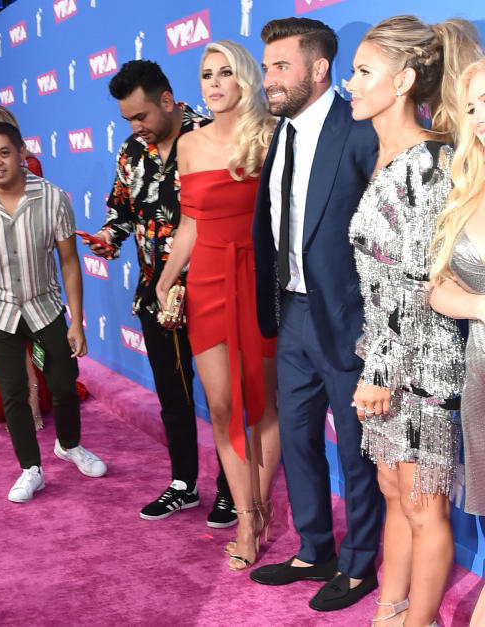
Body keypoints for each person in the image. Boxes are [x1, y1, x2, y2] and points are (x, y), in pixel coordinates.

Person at [347, 16, 480, 626]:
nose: (351, 83)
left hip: (422, 365)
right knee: (395, 493)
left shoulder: (425, 163)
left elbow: (414, 285)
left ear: (402, 80)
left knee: (424, 507)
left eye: (362, 71)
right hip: (386, 357)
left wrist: (377, 373)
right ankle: (389, 610)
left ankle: (417, 622)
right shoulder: (385, 157)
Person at [248, 17, 383, 612]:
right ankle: (315, 549)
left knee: (355, 449)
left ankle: (359, 567)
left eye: (281, 66)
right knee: (299, 439)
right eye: (267, 66)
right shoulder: (282, 133)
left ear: (319, 68)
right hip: (292, 310)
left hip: (348, 317)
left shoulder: (357, 128)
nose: (268, 78)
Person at [88, 59, 235, 528]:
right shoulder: (132, 151)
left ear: (167, 101)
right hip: (157, 295)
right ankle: (183, 484)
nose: (136, 127)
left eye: (141, 116)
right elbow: (122, 212)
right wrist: (108, 238)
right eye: (128, 119)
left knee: (224, 400)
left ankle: (234, 490)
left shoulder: (212, 137)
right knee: (172, 395)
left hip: (212, 292)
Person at [154, 41, 279, 570]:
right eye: (206, 74)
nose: (214, 82)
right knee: (224, 407)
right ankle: (247, 515)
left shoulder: (271, 136)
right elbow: (190, 223)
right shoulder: (187, 144)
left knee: (262, 406)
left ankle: (260, 505)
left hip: (258, 278)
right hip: (206, 280)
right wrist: (165, 278)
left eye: (225, 72)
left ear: (244, 79)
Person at [0, 121, 107, 502]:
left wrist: (77, 320)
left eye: (4, 152)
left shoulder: (53, 198)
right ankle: (30, 468)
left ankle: (69, 445)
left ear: (23, 153)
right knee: (13, 393)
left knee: (62, 384)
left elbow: (70, 261)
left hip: (45, 306)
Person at [429, 54, 485, 627]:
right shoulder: (466, 187)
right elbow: (438, 286)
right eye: (470, 107)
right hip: (481, 374)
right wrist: (480, 306)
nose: (477, 117)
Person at [0, 104, 62, 428]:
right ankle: (25, 400)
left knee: (32, 340)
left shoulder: (31, 166)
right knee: (8, 344)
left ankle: (36, 396)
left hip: (28, 270)